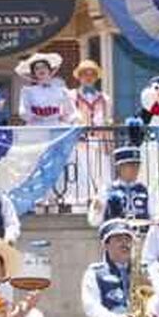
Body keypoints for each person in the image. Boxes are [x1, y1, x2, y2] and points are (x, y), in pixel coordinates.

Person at [71, 59, 112, 208]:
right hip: (80, 140)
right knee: (82, 172)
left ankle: (104, 202)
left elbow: (107, 119)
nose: (88, 77)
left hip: (99, 139)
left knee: (101, 172)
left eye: (92, 74)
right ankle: (82, 203)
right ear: (79, 77)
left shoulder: (104, 98)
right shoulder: (72, 96)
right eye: (85, 74)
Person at [94, 121, 151, 226]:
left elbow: (154, 217)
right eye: (131, 165)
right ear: (120, 167)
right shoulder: (107, 190)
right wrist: (98, 207)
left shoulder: (146, 190)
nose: (135, 169)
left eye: (137, 165)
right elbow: (94, 221)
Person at [15, 52, 69, 125]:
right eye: (37, 68)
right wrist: (36, 116)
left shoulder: (61, 90)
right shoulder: (28, 92)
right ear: (34, 73)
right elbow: (24, 112)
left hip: (55, 125)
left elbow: (68, 111)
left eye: (44, 67)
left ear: (49, 70)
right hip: (36, 126)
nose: (41, 70)